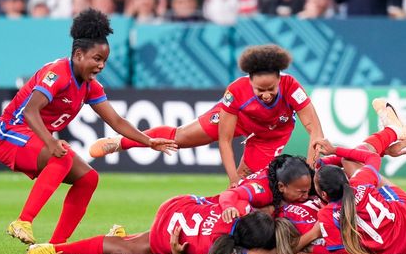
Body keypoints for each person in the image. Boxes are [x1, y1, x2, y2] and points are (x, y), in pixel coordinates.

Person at [0, 9, 176, 246]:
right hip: (8, 135)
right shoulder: (57, 73)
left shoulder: (90, 86)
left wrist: (148, 141)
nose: (101, 66)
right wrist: (50, 142)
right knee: (62, 156)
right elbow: (30, 111)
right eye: (97, 59)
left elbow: (117, 121)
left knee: (88, 178)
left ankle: (56, 245)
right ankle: (23, 221)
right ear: (78, 55)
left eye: (104, 61)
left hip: (33, 138)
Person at [90, 44, 324, 184]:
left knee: (248, 180)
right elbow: (224, 140)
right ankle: (121, 142)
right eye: (259, 90)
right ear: (249, 81)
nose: (266, 95)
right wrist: (231, 178)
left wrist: (312, 170)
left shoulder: (292, 86)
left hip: (272, 134)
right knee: (179, 138)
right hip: (240, 120)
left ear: (280, 79)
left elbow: (315, 130)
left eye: (271, 89)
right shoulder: (236, 91)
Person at [26, 194, 276, 254]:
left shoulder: (237, 210)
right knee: (124, 249)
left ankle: (124, 234)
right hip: (168, 232)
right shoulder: (215, 249)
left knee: (148, 236)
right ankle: (56, 249)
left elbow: (226, 196)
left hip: (178, 204)